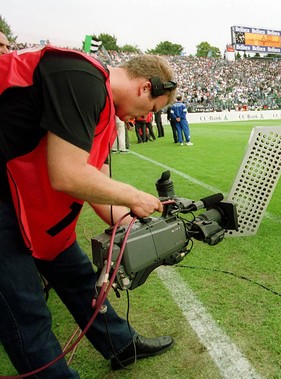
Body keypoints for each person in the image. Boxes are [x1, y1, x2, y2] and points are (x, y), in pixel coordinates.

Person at [0, 46, 177, 377]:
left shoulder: (104, 109)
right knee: (27, 312)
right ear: (145, 88)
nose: (144, 118)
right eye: (150, 108)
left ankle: (121, 346)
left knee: (81, 279)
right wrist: (134, 195)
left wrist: (143, 225)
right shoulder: (82, 78)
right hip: (6, 204)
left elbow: (99, 187)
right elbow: (67, 174)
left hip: (26, 204)